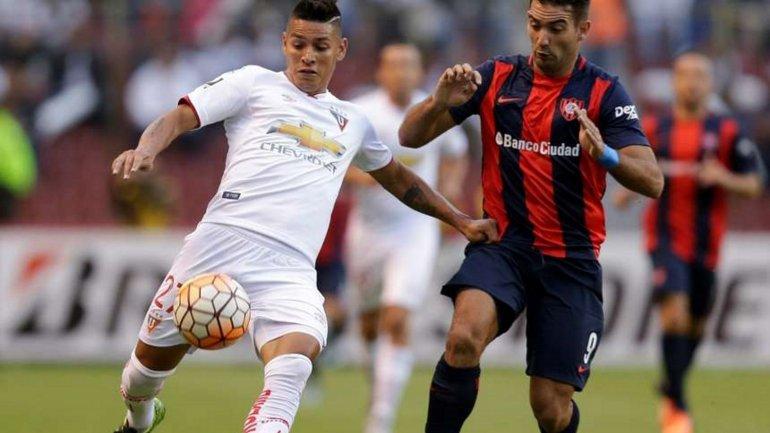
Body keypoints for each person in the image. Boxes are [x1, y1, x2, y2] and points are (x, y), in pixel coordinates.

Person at [109, 2, 498, 433]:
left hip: (289, 267)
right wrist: (146, 149)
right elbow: (180, 116)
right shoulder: (252, 83)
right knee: (140, 377)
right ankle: (139, 418)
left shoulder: (352, 121)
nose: (308, 56)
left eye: (320, 47)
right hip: (219, 244)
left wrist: (461, 220)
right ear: (284, 44)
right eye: (298, 45)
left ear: (341, 49)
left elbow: (401, 180)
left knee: (295, 361)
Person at [399, 1, 665, 432]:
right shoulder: (496, 76)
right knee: (463, 337)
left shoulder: (605, 92)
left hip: (571, 259)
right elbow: (409, 136)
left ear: (583, 30)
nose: (542, 38)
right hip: (504, 244)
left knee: (550, 408)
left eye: (556, 28)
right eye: (535, 25)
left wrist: (606, 154)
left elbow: (652, 181)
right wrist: (436, 103)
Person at [614, 51, 765, 433]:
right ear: (675, 82)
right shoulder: (654, 129)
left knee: (695, 325)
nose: (692, 82)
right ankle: (677, 404)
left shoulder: (726, 131)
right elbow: (628, 176)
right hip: (664, 240)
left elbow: (755, 183)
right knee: (675, 314)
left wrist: (723, 178)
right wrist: (628, 192)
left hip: (706, 246)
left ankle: (672, 383)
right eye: (685, 75)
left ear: (710, 84)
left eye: (700, 75)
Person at [346, 43, 469, 433]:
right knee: (369, 324)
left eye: (409, 66)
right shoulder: (362, 111)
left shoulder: (432, 109)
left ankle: (380, 418)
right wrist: (362, 176)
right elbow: (334, 158)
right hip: (368, 231)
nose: (401, 72)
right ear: (380, 72)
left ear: (419, 73)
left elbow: (457, 152)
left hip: (415, 230)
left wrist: (449, 189)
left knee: (397, 319)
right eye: (393, 66)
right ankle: (379, 389)